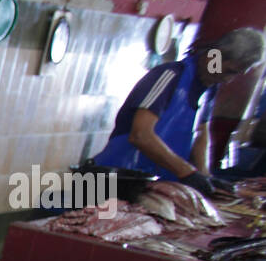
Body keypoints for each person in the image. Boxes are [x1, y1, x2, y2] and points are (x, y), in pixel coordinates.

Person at [92, 27, 264, 197]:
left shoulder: (209, 90)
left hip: (153, 188)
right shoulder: (169, 76)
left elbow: (201, 134)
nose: (228, 79)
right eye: (229, 71)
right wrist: (188, 172)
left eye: (235, 75)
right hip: (113, 181)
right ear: (215, 54)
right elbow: (140, 135)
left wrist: (205, 177)